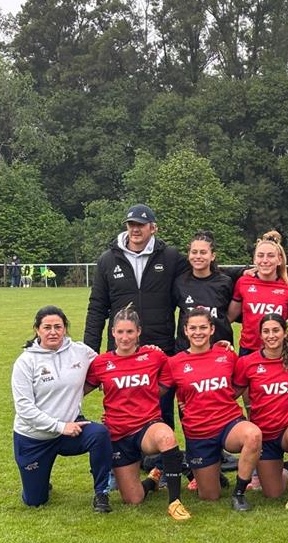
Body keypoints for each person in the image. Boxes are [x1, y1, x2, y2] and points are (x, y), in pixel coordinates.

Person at [84, 204, 185, 433]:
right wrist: (89, 351)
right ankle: (127, 455)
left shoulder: (170, 256)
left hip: (160, 346)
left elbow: (200, 274)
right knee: (123, 404)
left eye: (141, 225)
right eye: (132, 225)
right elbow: (97, 307)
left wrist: (241, 273)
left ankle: (160, 459)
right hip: (122, 349)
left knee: (162, 405)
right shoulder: (107, 260)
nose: (135, 230)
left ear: (153, 227)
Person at [84, 304, 191, 521]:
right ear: (112, 332)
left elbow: (172, 376)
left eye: (130, 331)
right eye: (120, 332)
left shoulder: (154, 356)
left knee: (166, 435)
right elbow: (79, 390)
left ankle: (175, 502)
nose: (125, 337)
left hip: (146, 427)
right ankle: (152, 481)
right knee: (133, 498)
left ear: (139, 332)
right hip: (118, 434)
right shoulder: (101, 363)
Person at [11, 305, 113, 512]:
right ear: (37, 330)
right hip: (34, 438)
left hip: (71, 431)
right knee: (35, 501)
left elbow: (109, 365)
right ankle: (39, 481)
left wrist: (146, 353)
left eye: (58, 326)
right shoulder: (25, 362)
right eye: (47, 327)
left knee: (99, 434)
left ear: (65, 328)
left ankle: (101, 492)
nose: (53, 332)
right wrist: (60, 426)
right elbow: (24, 409)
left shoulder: (80, 351)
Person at [163, 307, 264, 512]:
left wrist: (223, 397)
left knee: (253, 435)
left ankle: (239, 493)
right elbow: (160, 391)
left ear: (211, 329)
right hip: (199, 431)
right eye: (193, 328)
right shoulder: (174, 363)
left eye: (203, 327)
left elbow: (239, 383)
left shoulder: (226, 355)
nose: (198, 332)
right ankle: (206, 469)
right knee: (210, 496)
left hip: (228, 423)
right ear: (185, 331)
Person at [233, 313, 288, 509]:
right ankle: (286, 469)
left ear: (285, 333)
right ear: (260, 336)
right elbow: (231, 393)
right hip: (265, 435)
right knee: (273, 493)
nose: (271, 335)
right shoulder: (248, 363)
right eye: (266, 331)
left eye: (276, 330)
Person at [228, 231, 288, 358]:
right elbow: (228, 317)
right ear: (254, 259)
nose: (265, 260)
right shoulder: (243, 282)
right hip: (248, 350)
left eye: (270, 256)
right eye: (260, 255)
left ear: (279, 259)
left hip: (278, 351)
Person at [175, 232, 236, 349]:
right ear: (188, 255)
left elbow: (230, 315)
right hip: (186, 350)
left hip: (219, 349)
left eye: (203, 252)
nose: (198, 256)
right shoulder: (180, 282)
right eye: (194, 252)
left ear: (212, 256)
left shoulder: (225, 282)